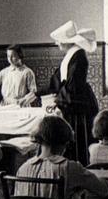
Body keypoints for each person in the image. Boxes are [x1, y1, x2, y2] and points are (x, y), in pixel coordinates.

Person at [37, 20, 100, 165]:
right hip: (71, 101)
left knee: (78, 139)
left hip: (78, 102)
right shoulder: (69, 57)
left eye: (59, 42)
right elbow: (56, 82)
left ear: (67, 42)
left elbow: (74, 86)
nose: (58, 44)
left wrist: (58, 101)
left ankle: (78, 169)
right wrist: (36, 93)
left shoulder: (79, 56)